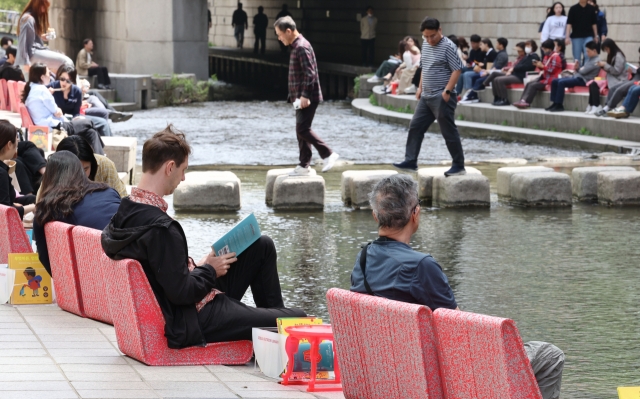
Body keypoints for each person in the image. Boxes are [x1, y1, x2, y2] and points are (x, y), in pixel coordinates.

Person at [350, 174, 565, 399]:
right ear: (415, 213)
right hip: (435, 370)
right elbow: (458, 328)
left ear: (375, 216)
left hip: (391, 367)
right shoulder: (421, 266)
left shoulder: (363, 259)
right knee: (549, 355)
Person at [102, 126, 306, 347]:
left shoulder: (125, 211)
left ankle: (272, 334)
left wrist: (200, 265)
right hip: (194, 316)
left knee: (261, 246)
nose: (183, 178)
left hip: (186, 303)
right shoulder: (162, 228)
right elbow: (182, 293)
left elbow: (167, 273)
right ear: (170, 167)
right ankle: (277, 330)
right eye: (183, 170)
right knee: (297, 318)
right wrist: (210, 269)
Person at [392, 17, 465, 176]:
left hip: (442, 96)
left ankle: (459, 165)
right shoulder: (425, 43)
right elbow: (425, 66)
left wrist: (447, 91)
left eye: (432, 35)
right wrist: (420, 87)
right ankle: (411, 161)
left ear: (440, 30)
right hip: (426, 95)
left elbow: (457, 69)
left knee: (448, 131)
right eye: (426, 36)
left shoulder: (448, 46)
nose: (430, 39)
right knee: (416, 126)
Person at [33, 150, 120, 276]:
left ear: (49, 177)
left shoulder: (48, 208)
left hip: (93, 275)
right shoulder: (108, 191)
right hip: (131, 262)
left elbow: (45, 258)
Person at [274, 16, 339, 175]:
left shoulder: (301, 47)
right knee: (300, 129)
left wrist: (304, 96)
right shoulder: (296, 46)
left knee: (303, 129)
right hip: (299, 97)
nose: (279, 38)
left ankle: (328, 154)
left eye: (279, 34)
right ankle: (304, 165)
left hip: (307, 97)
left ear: (288, 31)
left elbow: (309, 74)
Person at [23, 63, 104, 155]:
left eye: (68, 81)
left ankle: (100, 158)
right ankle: (101, 158)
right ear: (42, 77)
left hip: (53, 125)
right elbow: (57, 111)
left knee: (91, 132)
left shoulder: (32, 88)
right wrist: (57, 110)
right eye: (48, 73)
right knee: (90, 123)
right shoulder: (43, 91)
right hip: (56, 127)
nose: (50, 76)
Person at [33, 135, 127, 200]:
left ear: (92, 164)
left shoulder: (105, 166)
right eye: (76, 170)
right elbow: (40, 204)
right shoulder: (54, 170)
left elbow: (121, 199)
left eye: (86, 169)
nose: (82, 175)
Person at [49, 65, 113, 138]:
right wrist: (46, 93)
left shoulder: (77, 91)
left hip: (72, 120)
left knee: (103, 123)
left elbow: (76, 112)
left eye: (68, 80)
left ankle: (110, 145)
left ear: (72, 81)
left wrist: (77, 117)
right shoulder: (53, 86)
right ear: (59, 77)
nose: (64, 82)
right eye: (62, 79)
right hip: (58, 121)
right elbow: (37, 91)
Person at [15, 0, 73, 74]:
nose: (44, 10)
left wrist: (41, 36)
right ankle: (74, 84)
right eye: (43, 7)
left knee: (34, 83)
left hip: (29, 56)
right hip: (30, 55)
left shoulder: (29, 18)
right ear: (37, 5)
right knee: (67, 62)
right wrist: (25, 62)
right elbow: (23, 43)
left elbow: (28, 38)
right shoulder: (29, 19)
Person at [547, 41, 600, 112]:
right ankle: (554, 103)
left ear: (594, 51)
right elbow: (582, 70)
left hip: (583, 80)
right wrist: (579, 68)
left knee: (561, 83)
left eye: (588, 51)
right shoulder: (590, 59)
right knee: (555, 81)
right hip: (577, 77)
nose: (586, 53)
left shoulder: (595, 61)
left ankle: (559, 104)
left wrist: (578, 68)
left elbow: (583, 71)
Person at [512, 40, 564, 109]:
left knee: (533, 85)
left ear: (550, 49)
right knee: (529, 84)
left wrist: (542, 66)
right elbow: (544, 69)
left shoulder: (555, 56)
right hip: (544, 77)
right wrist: (539, 66)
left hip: (551, 79)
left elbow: (552, 70)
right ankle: (522, 100)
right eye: (543, 49)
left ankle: (526, 102)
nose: (544, 50)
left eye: (545, 49)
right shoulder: (546, 56)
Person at [0, 120, 35, 220]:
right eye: (17, 139)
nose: (18, 143)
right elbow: (6, 214)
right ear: (9, 144)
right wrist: (33, 207)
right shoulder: (1, 173)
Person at [490, 41, 540, 106]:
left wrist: (514, 68)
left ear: (533, 47)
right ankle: (498, 98)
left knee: (500, 80)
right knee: (495, 79)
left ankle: (504, 99)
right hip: (516, 74)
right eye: (526, 46)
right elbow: (519, 65)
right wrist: (514, 68)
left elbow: (526, 66)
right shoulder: (527, 56)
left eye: (528, 46)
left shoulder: (534, 56)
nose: (526, 48)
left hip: (521, 76)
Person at [594, 46, 640, 117]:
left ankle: (608, 108)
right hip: (634, 79)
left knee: (620, 89)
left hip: (637, 81)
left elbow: (616, 71)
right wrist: (633, 71)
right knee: (613, 88)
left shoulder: (618, 56)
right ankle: (607, 107)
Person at [460, 37, 508, 104]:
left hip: (489, 72)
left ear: (486, 44)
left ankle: (470, 94)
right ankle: (470, 94)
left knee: (469, 75)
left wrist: (483, 68)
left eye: (481, 44)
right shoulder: (476, 52)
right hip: (486, 71)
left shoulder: (495, 53)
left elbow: (496, 66)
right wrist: (472, 62)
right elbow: (478, 63)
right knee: (466, 74)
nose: (496, 44)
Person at [585, 38, 625, 114]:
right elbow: (610, 69)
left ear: (611, 47)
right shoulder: (612, 55)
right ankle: (592, 104)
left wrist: (605, 65)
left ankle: (599, 106)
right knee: (593, 82)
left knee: (598, 84)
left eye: (607, 49)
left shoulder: (618, 56)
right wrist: (602, 66)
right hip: (608, 78)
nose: (607, 51)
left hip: (617, 80)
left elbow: (617, 71)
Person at [565, 0, 598, 65]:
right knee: (577, 57)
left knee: (588, 55)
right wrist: (567, 37)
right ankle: (578, 73)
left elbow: (594, 24)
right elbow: (569, 24)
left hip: (588, 36)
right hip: (576, 37)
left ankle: (586, 71)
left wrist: (596, 36)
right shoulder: (573, 9)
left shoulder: (591, 9)